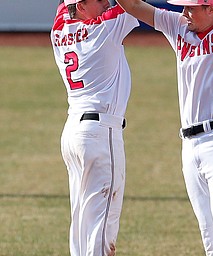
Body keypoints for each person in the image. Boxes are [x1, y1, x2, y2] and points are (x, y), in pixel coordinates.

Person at [114, 0, 213, 255]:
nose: (184, 13)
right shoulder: (179, 27)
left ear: (211, 8)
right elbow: (133, 5)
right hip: (190, 146)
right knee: (210, 237)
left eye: (191, 7)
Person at [50, 0, 139, 255]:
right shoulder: (106, 26)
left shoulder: (59, 28)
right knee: (101, 229)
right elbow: (132, 4)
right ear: (80, 5)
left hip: (73, 133)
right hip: (99, 134)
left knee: (81, 226)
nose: (106, 3)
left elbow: (61, 7)